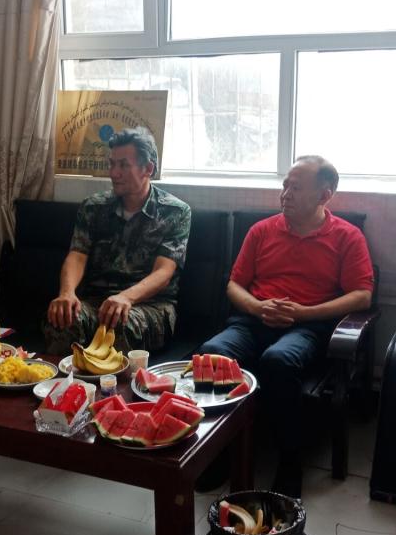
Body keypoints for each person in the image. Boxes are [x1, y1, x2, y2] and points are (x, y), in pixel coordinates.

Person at [199, 155, 373, 496]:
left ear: (324, 195)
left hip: (307, 326)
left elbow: (362, 296)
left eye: (296, 188)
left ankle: (290, 462)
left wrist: (305, 313)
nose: (285, 194)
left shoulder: (347, 237)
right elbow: (234, 285)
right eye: (285, 186)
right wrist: (257, 306)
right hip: (254, 319)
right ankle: (218, 452)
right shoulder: (262, 230)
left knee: (278, 361)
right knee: (212, 353)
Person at [44, 127, 191, 355]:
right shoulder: (93, 207)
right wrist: (67, 293)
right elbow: (77, 256)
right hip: (96, 302)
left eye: (123, 165)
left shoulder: (175, 212)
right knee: (62, 319)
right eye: (111, 164)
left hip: (149, 306)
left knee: (119, 325)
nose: (113, 173)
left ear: (148, 169)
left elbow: (164, 273)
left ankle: (115, 381)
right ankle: (64, 378)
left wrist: (126, 297)